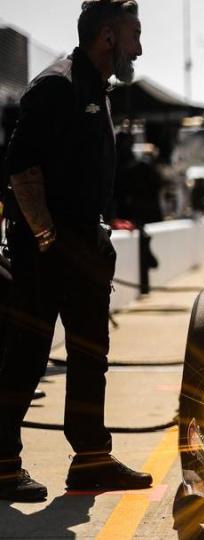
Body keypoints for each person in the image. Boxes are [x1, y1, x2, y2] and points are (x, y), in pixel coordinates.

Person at [0, 0, 151, 502]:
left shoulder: (97, 89)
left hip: (85, 246)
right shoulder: (57, 84)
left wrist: (95, 237)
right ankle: (1, 462)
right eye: (133, 33)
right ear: (107, 35)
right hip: (47, 250)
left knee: (91, 355)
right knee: (28, 352)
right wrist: (47, 240)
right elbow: (20, 167)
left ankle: (91, 458)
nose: (139, 46)